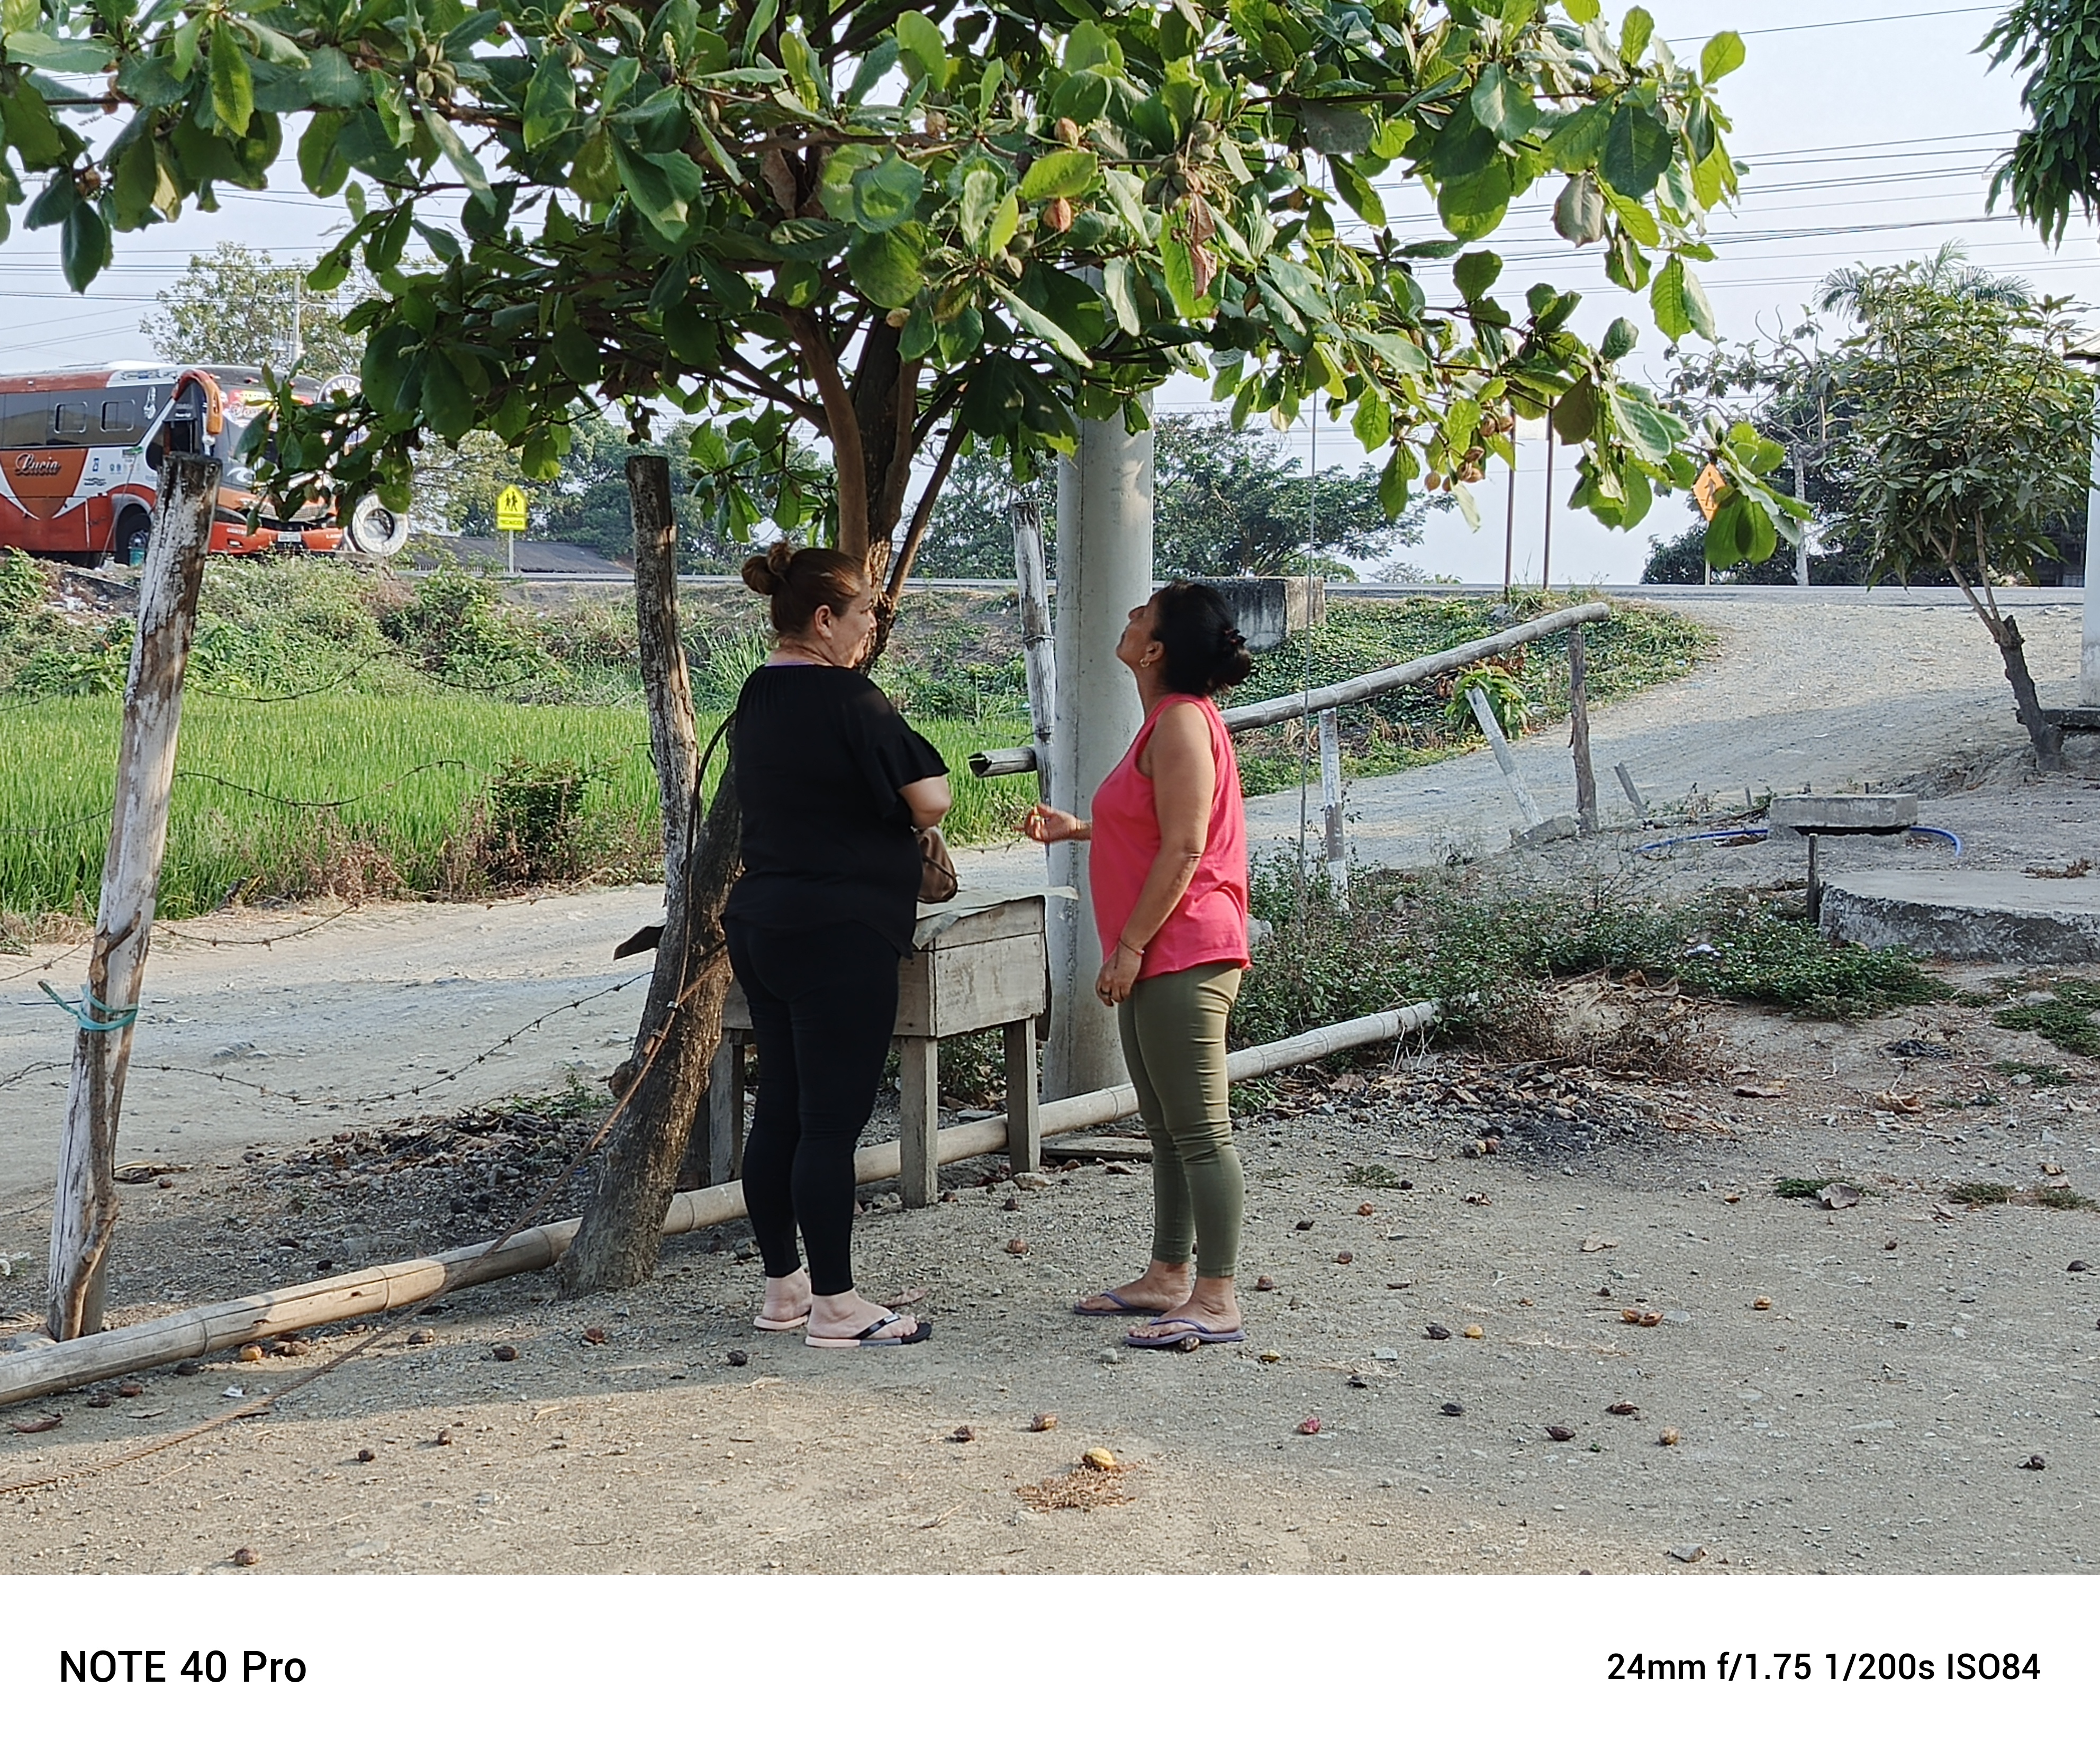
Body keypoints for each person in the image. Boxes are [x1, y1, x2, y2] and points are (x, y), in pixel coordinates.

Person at [725, 542, 951, 1348]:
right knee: (830, 1122)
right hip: (840, 930)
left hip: (763, 922)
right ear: (824, 618)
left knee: (781, 1111)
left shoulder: (756, 693)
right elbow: (931, 797)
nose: (868, 632)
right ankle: (836, 1305)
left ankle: (783, 1289)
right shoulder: (852, 697)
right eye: (863, 616)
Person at [1022, 580, 1254, 1348]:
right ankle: (1167, 1275)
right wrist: (1080, 829)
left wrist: (1128, 946)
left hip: (1184, 947)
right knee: (1166, 1126)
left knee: (1202, 1130)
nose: (1128, 615)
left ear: (1154, 650)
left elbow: (1187, 846)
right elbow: (1157, 823)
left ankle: (1216, 1296)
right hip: (1165, 949)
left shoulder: (1183, 719)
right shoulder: (1168, 719)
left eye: (1143, 613)